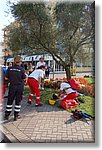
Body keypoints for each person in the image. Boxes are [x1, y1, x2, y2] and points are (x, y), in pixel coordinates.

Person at [4, 55, 26, 121]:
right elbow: (24, 78)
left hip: (12, 86)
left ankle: (7, 115)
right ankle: (16, 116)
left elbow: (6, 78)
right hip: (20, 87)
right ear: (20, 61)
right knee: (18, 101)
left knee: (10, 101)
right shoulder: (22, 69)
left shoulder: (9, 68)